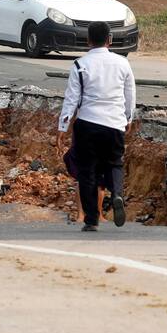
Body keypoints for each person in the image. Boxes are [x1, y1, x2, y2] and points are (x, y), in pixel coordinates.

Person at [57, 21, 136, 232]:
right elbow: (130, 94)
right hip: (114, 124)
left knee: (87, 172)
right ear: (110, 40)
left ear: (88, 40)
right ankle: (117, 193)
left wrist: (62, 127)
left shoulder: (80, 64)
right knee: (115, 163)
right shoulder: (122, 63)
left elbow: (71, 98)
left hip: (88, 124)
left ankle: (91, 219)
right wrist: (128, 118)